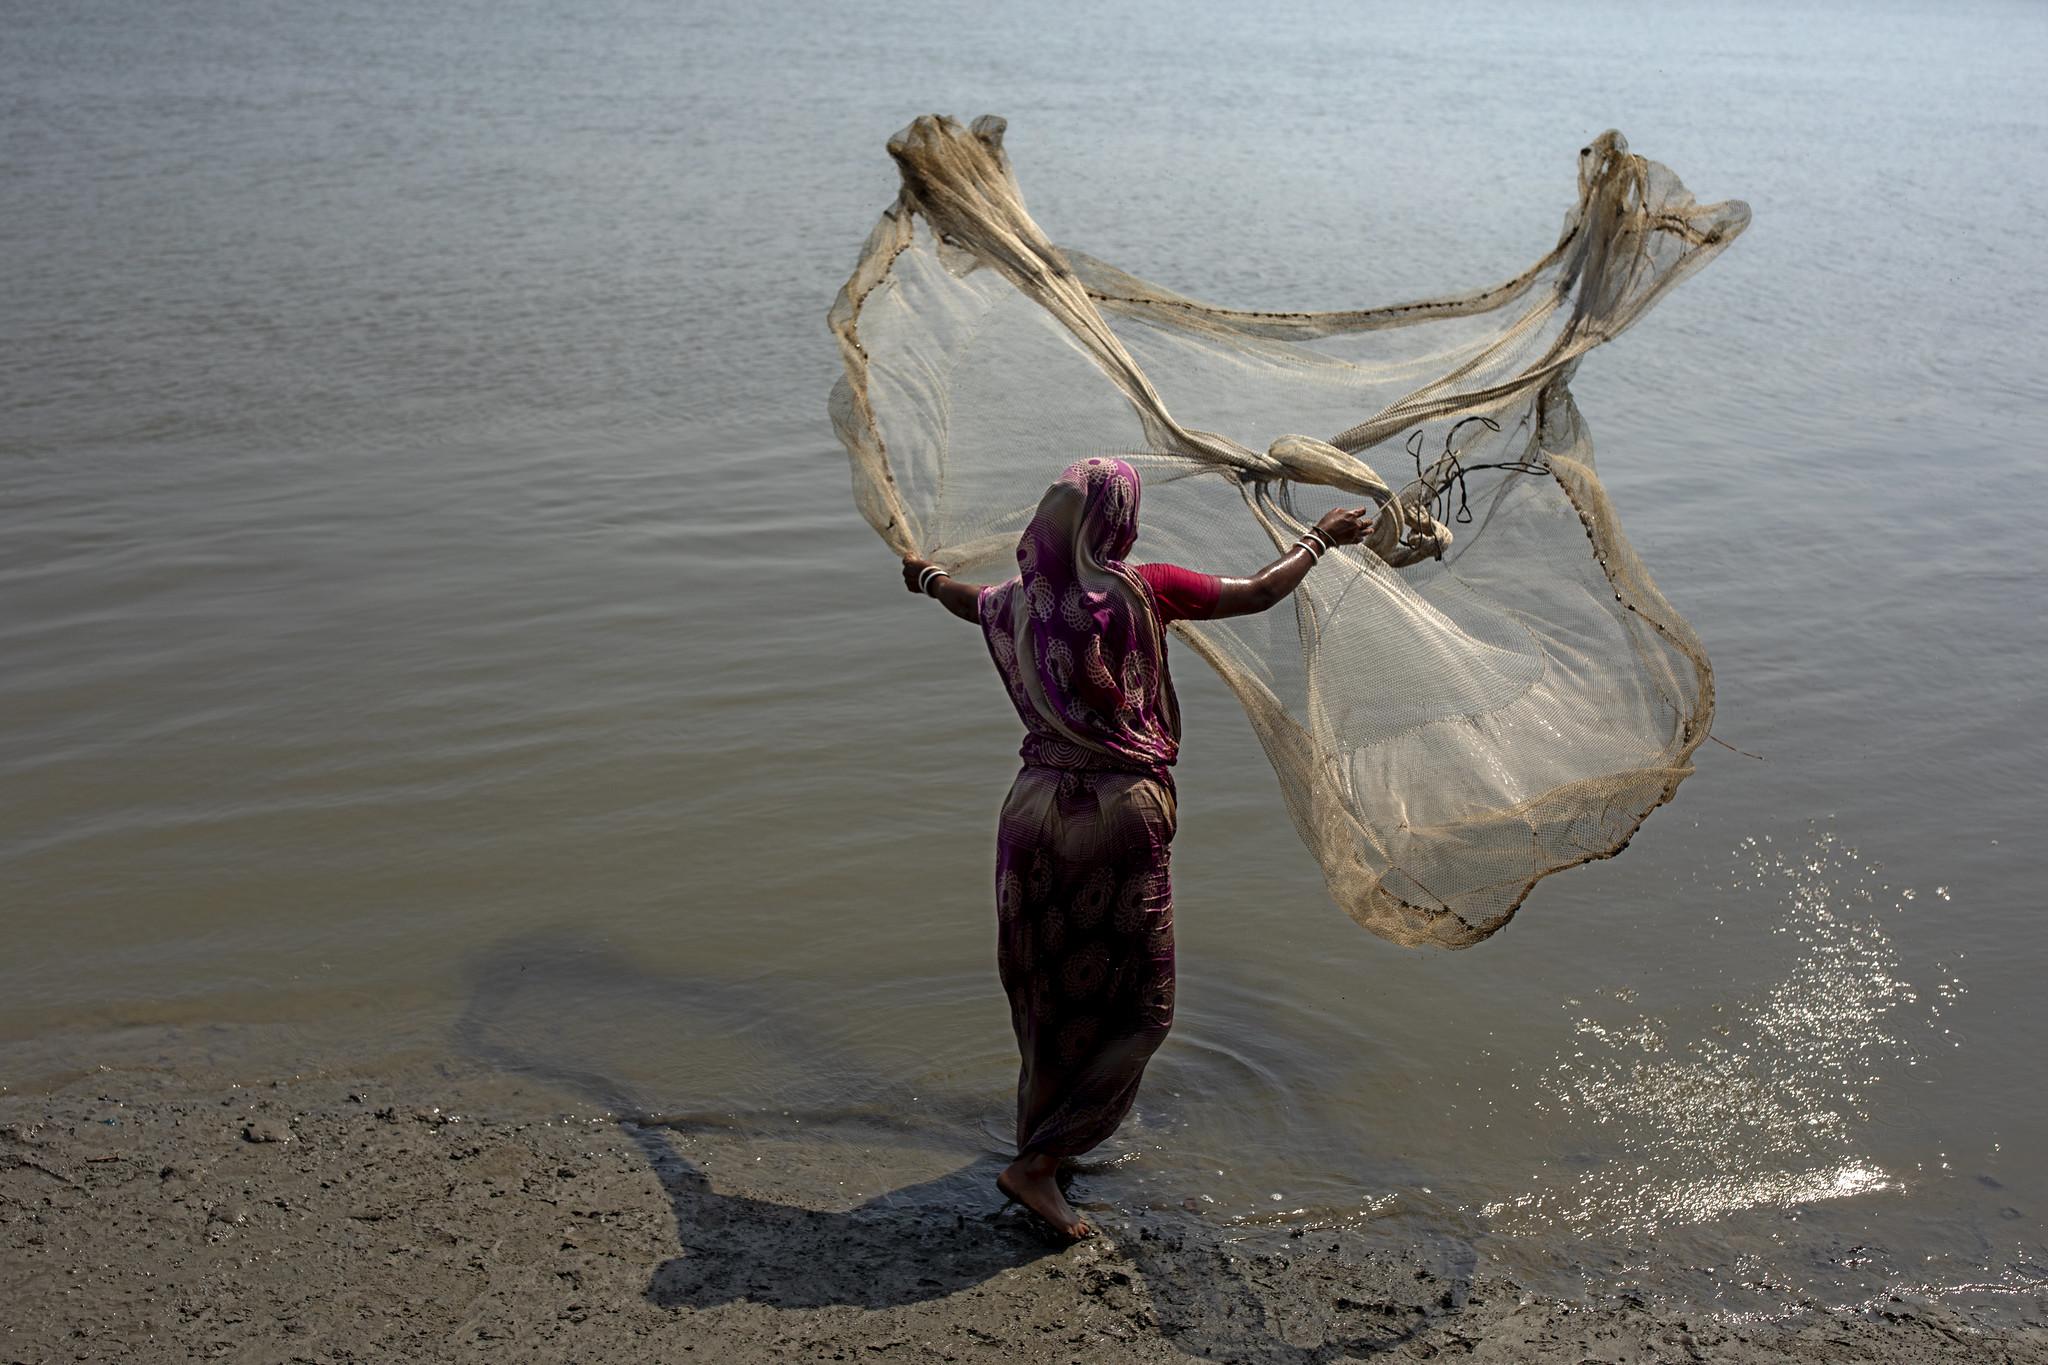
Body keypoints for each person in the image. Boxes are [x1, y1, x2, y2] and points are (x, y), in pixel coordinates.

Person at [900, 457, 1375, 1240]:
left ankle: (1045, 1144)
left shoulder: (1013, 603)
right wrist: (1321, 540)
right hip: (1115, 818)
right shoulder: (1143, 588)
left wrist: (923, 576)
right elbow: (1256, 591)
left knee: (1045, 987)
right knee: (1142, 1004)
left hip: (1029, 813)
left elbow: (956, 597)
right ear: (1116, 520)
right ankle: (1039, 1165)